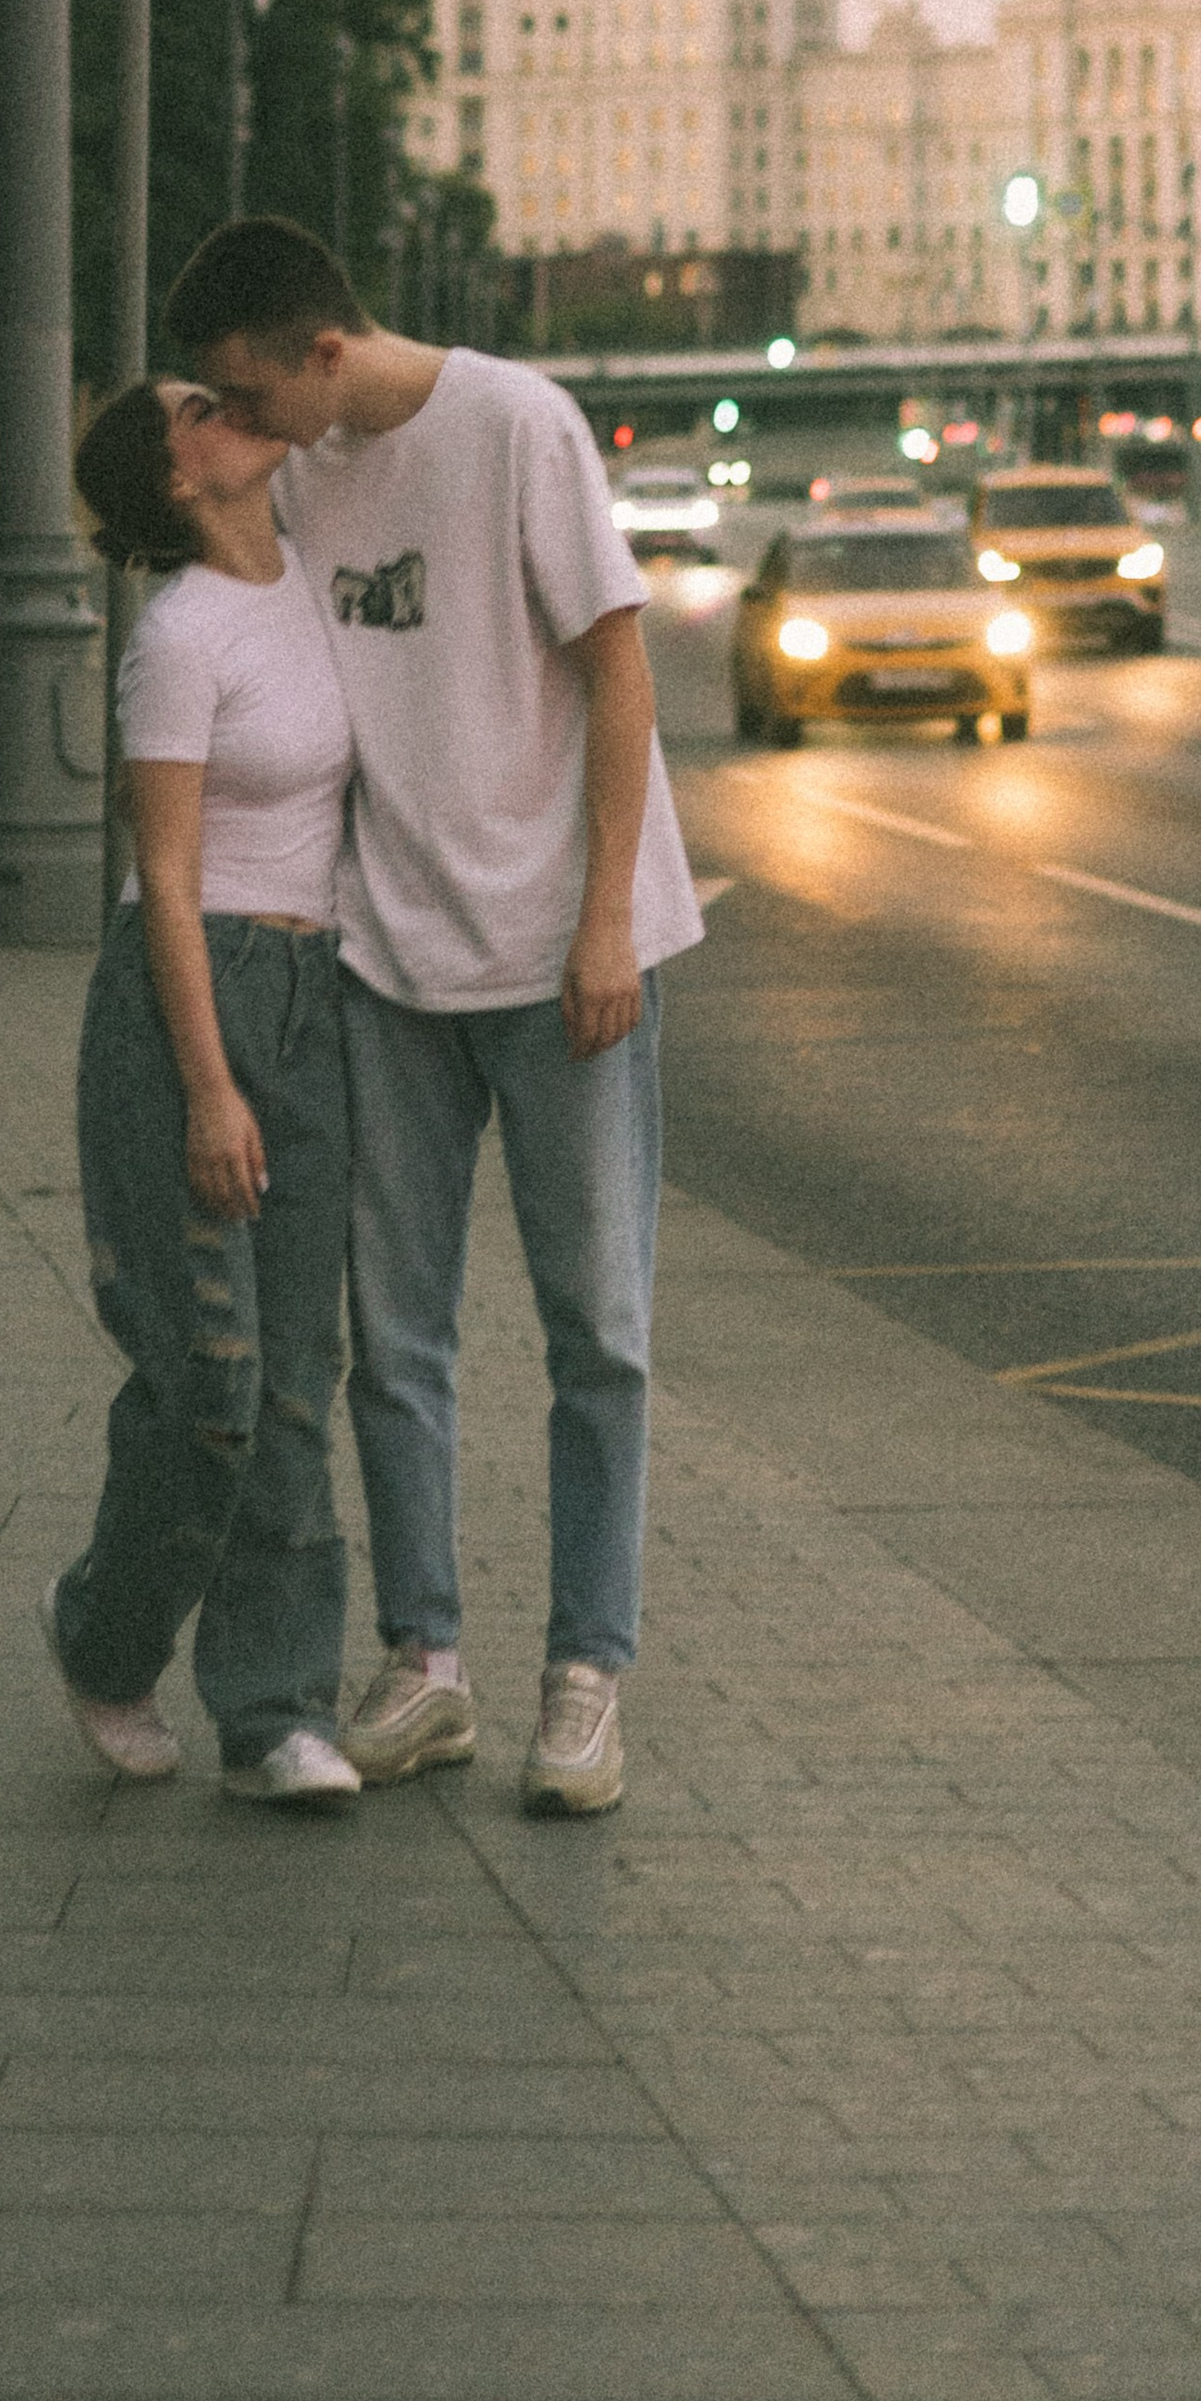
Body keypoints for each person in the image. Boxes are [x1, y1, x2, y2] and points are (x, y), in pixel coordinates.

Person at [162, 216, 703, 1818]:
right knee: (395, 1339)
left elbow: (620, 671)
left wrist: (605, 919)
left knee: (597, 1330)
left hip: (563, 960)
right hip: (388, 960)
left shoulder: (516, 426)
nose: (246, 423)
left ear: (326, 352)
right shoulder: (301, 468)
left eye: (255, 392)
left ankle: (587, 1680)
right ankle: (427, 1664)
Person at [41, 375, 360, 1806]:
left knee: (292, 1383)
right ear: (177, 477)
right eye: (200, 406)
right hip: (187, 1005)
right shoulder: (176, 639)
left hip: (311, 997)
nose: (232, 401)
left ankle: (275, 1714)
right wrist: (209, 1086)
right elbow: (165, 877)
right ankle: (103, 1636)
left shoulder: (319, 579)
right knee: (211, 1382)